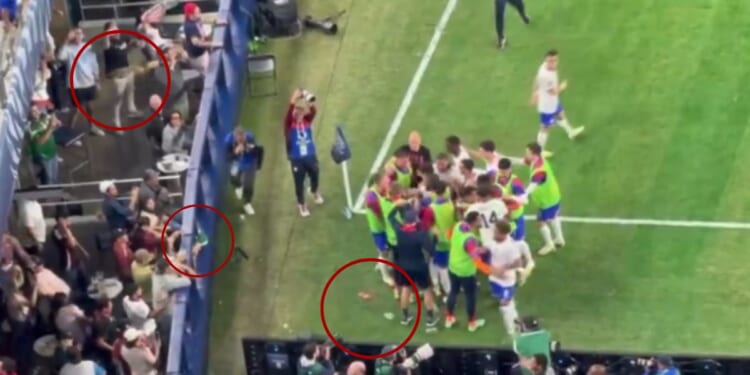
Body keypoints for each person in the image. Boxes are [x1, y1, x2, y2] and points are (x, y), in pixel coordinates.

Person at [388, 202, 439, 328]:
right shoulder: (420, 234)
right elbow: (431, 250)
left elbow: (390, 217)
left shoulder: (399, 230)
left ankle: (405, 316)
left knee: (406, 289)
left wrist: (397, 206)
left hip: (404, 266)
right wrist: (435, 238)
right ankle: (430, 318)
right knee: (426, 290)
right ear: (415, 219)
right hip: (419, 266)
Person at [444, 211, 491, 332]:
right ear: (474, 221)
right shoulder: (470, 239)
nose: (481, 221)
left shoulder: (458, 225)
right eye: (479, 219)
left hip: (453, 266)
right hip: (466, 272)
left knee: (453, 291)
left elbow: (449, 236)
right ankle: (472, 323)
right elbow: (475, 257)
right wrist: (484, 252)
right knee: (470, 296)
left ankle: (449, 318)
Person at [531, 50, 584, 153]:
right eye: (550, 61)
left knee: (561, 114)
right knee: (545, 127)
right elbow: (553, 92)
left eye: (555, 60)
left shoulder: (544, 66)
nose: (553, 63)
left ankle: (571, 132)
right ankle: (539, 151)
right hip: (547, 106)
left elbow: (536, 79)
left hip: (553, 101)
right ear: (546, 60)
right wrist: (562, 87)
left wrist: (534, 93)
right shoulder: (545, 75)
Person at [284, 89, 323, 217]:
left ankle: (314, 190)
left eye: (300, 111)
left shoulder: (307, 122)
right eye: (296, 111)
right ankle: (302, 205)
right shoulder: (289, 125)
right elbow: (288, 115)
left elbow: (313, 111)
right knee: (299, 182)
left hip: (310, 155)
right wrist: (294, 99)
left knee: (315, 173)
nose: (298, 113)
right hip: (297, 159)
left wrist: (308, 99)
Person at [57, 27, 103, 136]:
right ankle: (69, 130)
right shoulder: (68, 48)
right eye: (75, 33)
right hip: (75, 85)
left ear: (83, 36)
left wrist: (97, 79)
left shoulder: (88, 46)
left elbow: (94, 63)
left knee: (90, 107)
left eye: (79, 33)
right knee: (76, 109)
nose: (77, 36)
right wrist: (66, 40)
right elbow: (60, 57)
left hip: (89, 82)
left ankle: (92, 126)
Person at [521, 142, 564, 255]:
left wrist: (524, 195)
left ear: (534, 154)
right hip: (553, 195)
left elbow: (533, 184)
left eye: (527, 153)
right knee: (554, 216)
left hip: (547, 201)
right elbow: (522, 161)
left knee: (540, 221)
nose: (525, 154)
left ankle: (549, 244)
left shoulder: (540, 170)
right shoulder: (539, 159)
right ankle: (559, 239)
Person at [487, 220, 527, 336]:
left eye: (496, 231)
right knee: (503, 300)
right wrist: (473, 252)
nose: (493, 233)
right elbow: (481, 250)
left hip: (506, 281)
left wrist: (503, 268)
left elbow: (519, 263)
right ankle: (511, 307)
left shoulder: (511, 247)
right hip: (494, 279)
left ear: (503, 234)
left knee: (505, 304)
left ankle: (513, 330)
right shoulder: (493, 241)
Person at [102, 22, 141, 129]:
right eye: (113, 29)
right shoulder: (107, 43)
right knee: (118, 99)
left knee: (131, 91)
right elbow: (106, 40)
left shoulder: (122, 40)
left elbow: (125, 51)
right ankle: (116, 119)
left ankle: (131, 110)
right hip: (117, 75)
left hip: (127, 70)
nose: (116, 30)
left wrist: (134, 45)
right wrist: (108, 33)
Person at [420, 180, 455, 297]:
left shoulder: (430, 207)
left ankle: (437, 286)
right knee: (442, 266)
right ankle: (447, 290)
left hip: (438, 241)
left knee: (437, 263)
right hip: (448, 240)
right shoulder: (451, 202)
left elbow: (425, 225)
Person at [364, 172, 394, 286]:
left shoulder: (382, 191)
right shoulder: (371, 197)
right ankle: (385, 276)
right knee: (384, 251)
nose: (389, 183)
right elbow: (381, 214)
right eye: (386, 182)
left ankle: (382, 263)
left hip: (385, 226)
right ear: (379, 183)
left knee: (388, 248)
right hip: (378, 228)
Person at [225, 127, 263, 216]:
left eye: (243, 138)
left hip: (249, 161)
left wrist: (258, 166)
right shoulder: (228, 141)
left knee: (248, 184)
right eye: (239, 139)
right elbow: (227, 157)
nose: (241, 140)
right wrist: (235, 152)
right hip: (237, 161)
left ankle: (247, 203)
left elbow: (259, 151)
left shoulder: (250, 138)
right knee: (232, 177)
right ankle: (238, 187)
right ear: (235, 138)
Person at [465, 181, 509, 247]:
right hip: (503, 240)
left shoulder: (472, 208)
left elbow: (468, 224)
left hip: (487, 242)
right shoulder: (499, 203)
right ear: (490, 194)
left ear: (478, 195)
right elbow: (506, 218)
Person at [27, 105, 61, 184]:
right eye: (33, 111)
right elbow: (40, 141)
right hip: (43, 156)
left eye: (37, 109)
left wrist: (56, 124)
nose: (36, 112)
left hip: (52, 151)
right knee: (49, 180)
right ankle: (48, 194)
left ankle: (53, 188)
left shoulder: (44, 116)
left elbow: (54, 125)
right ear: (28, 113)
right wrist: (51, 127)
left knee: (54, 175)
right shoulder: (31, 126)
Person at [495, 158, 527, 240]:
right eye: (501, 171)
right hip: (503, 216)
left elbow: (524, 200)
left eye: (505, 171)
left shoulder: (515, 182)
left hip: (515, 216)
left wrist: (509, 198)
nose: (502, 174)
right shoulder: (495, 176)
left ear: (510, 169)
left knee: (519, 240)